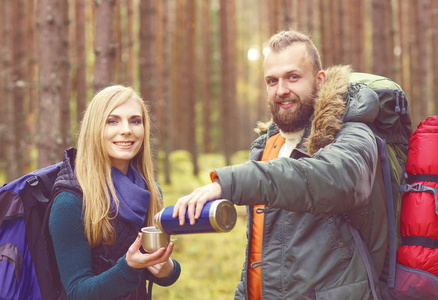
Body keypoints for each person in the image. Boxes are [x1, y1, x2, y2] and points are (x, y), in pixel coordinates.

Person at [173, 29, 388, 299]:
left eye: (293, 77)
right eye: (272, 81)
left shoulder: (353, 132)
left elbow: (335, 179)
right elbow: (260, 254)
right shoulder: (266, 147)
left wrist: (232, 183)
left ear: (320, 81)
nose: (281, 90)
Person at [49, 85, 181, 299]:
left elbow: (155, 268)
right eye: (113, 121)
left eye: (135, 121)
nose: (126, 130)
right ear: (95, 128)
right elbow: (77, 292)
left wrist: (168, 269)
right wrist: (128, 267)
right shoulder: (70, 201)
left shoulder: (150, 192)